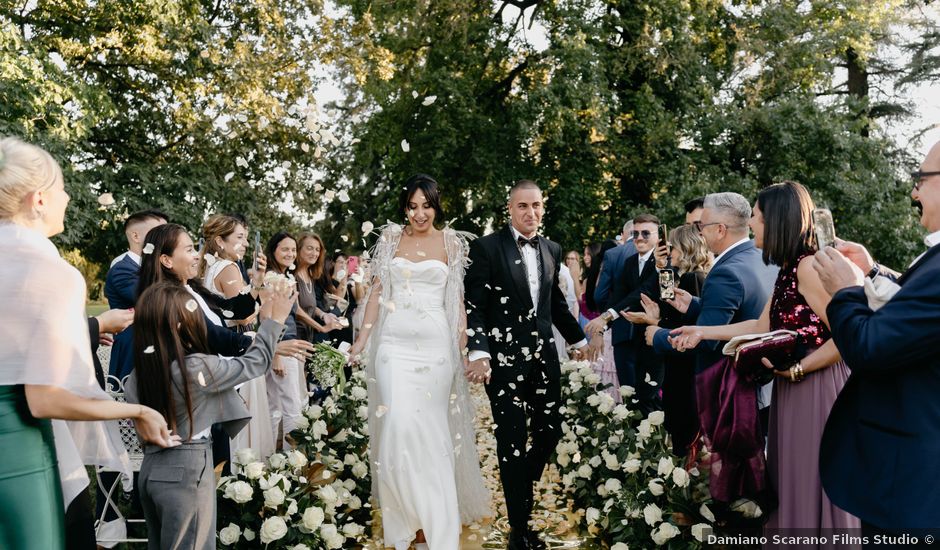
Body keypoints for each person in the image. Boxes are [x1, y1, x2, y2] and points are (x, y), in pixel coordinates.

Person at [0, 136, 174, 550]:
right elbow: (45, 398)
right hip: (16, 451)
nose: (66, 197)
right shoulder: (50, 271)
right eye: (61, 188)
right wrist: (138, 410)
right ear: (38, 199)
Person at [670, 183, 859, 541]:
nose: (752, 222)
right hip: (792, 387)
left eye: (756, 216)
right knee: (789, 477)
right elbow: (761, 325)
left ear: (777, 220)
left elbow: (846, 336)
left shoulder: (807, 268)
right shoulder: (788, 269)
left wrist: (802, 369)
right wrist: (699, 331)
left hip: (817, 387)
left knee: (810, 476)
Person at [350, 174, 490, 550]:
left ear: (436, 205)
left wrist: (464, 346)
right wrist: (362, 340)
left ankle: (434, 529)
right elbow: (377, 292)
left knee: (431, 436)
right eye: (412, 206)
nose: (419, 213)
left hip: (435, 349)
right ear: (405, 208)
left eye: (425, 205)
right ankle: (406, 526)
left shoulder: (451, 242)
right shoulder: (391, 239)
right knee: (396, 429)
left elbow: (457, 299)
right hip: (393, 345)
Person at [813, 141, 940, 541]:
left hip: (915, 482)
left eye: (922, 180)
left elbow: (870, 346)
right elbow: (918, 312)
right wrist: (872, 271)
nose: (915, 192)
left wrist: (845, 291)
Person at [465, 179, 596, 550]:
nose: (531, 213)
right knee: (510, 442)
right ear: (510, 208)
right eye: (523, 206)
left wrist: (580, 339)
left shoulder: (551, 248)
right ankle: (519, 530)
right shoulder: (487, 248)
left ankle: (521, 479)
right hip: (504, 363)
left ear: (543, 207)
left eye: (536, 205)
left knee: (549, 431)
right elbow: (473, 305)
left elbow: (554, 305)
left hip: (544, 360)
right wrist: (479, 350)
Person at [127, 280, 292, 550]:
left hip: (150, 471)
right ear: (180, 325)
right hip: (187, 469)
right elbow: (254, 364)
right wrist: (275, 321)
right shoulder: (196, 368)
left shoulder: (139, 373)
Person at [624, 224, 711, 455]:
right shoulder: (684, 277)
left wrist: (654, 324)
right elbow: (668, 300)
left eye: (672, 245)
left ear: (686, 247)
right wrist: (662, 266)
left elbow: (688, 329)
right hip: (677, 367)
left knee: (687, 436)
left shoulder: (695, 279)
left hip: (686, 371)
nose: (669, 250)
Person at [199, 214, 276, 462]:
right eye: (239, 238)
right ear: (220, 241)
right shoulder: (228, 268)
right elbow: (243, 316)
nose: (244, 243)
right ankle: (247, 469)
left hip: (225, 345)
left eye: (245, 237)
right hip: (239, 344)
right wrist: (261, 295)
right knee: (245, 416)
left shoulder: (210, 266)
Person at [586, 214, 664, 413]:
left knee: (649, 399)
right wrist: (601, 328)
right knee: (630, 399)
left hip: (652, 341)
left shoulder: (665, 262)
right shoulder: (630, 261)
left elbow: (643, 292)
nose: (639, 237)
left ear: (659, 236)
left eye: (646, 233)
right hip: (627, 340)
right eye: (635, 233)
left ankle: (658, 443)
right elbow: (618, 297)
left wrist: (606, 316)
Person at [104, 209, 168, 379]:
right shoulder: (122, 269)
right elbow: (157, 301)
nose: (166, 238)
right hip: (136, 351)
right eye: (158, 232)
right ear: (136, 236)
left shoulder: (160, 267)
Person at [264, 231, 309, 448]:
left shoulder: (287, 278)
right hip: (282, 347)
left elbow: (296, 312)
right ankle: (293, 461)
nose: (290, 253)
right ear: (273, 251)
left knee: (281, 406)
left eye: (293, 249)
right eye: (285, 249)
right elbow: (268, 318)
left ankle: (278, 459)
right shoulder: (271, 279)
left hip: (290, 345)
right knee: (287, 406)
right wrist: (275, 356)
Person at [592, 219, 638, 390]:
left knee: (627, 387)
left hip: (620, 326)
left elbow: (599, 295)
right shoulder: (657, 252)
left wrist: (607, 316)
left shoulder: (613, 254)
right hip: (649, 328)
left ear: (625, 234)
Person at [293, 233, 341, 344]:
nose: (314, 253)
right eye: (310, 248)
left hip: (308, 337)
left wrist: (324, 315)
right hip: (294, 337)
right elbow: (297, 309)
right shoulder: (292, 274)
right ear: (299, 249)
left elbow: (310, 306)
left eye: (317, 250)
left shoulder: (310, 275)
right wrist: (321, 328)